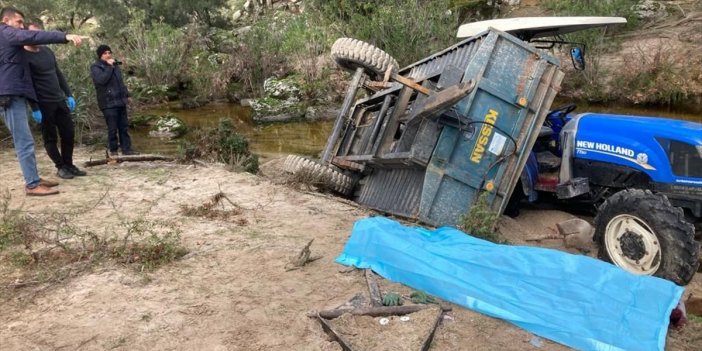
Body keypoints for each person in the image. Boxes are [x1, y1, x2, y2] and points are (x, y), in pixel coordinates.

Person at [0, 7, 83, 196]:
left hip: (16, 95)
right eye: (19, 22)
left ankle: (34, 178)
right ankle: (32, 184)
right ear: (6, 20)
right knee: (24, 142)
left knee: (26, 140)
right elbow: (33, 37)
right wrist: (65, 36)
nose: (21, 27)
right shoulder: (5, 32)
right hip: (9, 97)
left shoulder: (11, 41)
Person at [24, 23, 87, 179]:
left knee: (68, 133)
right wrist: (34, 107)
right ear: (26, 35)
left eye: (40, 34)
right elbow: (27, 84)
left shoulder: (47, 51)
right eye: (34, 34)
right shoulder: (23, 57)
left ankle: (69, 164)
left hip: (59, 100)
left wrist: (69, 94)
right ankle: (60, 167)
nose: (38, 37)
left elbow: (58, 74)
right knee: (50, 137)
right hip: (43, 104)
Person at [90, 44, 138, 156]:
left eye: (109, 52)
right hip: (107, 102)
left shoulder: (115, 65)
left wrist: (127, 95)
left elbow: (120, 82)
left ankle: (126, 149)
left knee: (124, 126)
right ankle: (114, 150)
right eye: (105, 53)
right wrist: (109, 67)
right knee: (112, 128)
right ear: (100, 55)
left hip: (120, 100)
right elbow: (102, 80)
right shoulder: (96, 67)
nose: (108, 55)